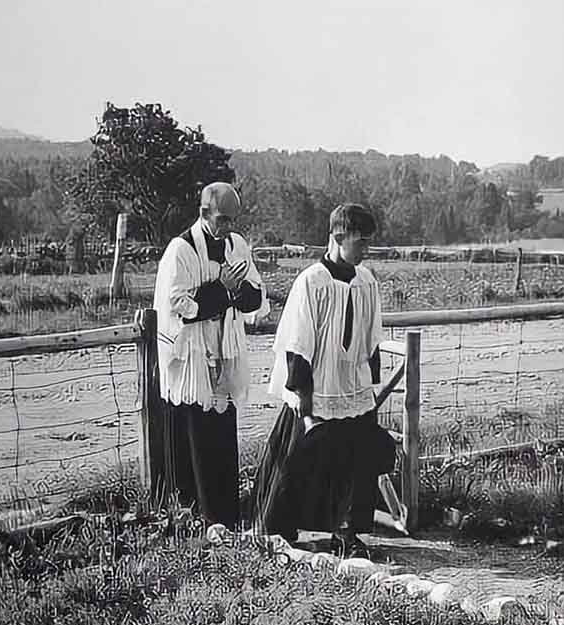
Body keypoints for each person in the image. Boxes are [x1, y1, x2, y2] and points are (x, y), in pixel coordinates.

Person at [253, 203, 395, 557]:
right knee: (297, 459)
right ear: (338, 237)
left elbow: (371, 334)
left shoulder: (366, 281)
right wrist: (300, 388)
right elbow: (297, 337)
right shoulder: (312, 281)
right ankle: (277, 531)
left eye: (368, 243)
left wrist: (368, 381)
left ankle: (346, 532)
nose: (366, 249)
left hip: (352, 385)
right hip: (317, 385)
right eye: (360, 242)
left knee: (355, 462)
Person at [153, 182, 269, 530]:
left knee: (221, 437)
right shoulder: (181, 250)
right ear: (204, 213)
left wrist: (230, 293)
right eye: (222, 219)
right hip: (192, 358)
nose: (228, 227)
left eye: (233, 220)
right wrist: (224, 290)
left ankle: (226, 518)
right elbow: (181, 307)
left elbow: (256, 297)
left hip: (225, 350)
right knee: (194, 438)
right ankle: (195, 519)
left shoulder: (236, 245)